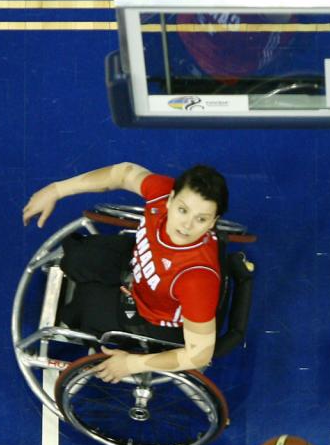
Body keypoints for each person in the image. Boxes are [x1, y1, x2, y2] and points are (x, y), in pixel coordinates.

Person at [22, 162, 229, 381]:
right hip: (138, 267)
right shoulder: (160, 193)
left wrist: (133, 363)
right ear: (170, 198)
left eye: (201, 219)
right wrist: (56, 190)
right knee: (76, 256)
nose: (187, 225)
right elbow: (122, 173)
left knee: (81, 308)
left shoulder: (196, 280)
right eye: (183, 210)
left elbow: (199, 355)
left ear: (212, 223)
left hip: (152, 315)